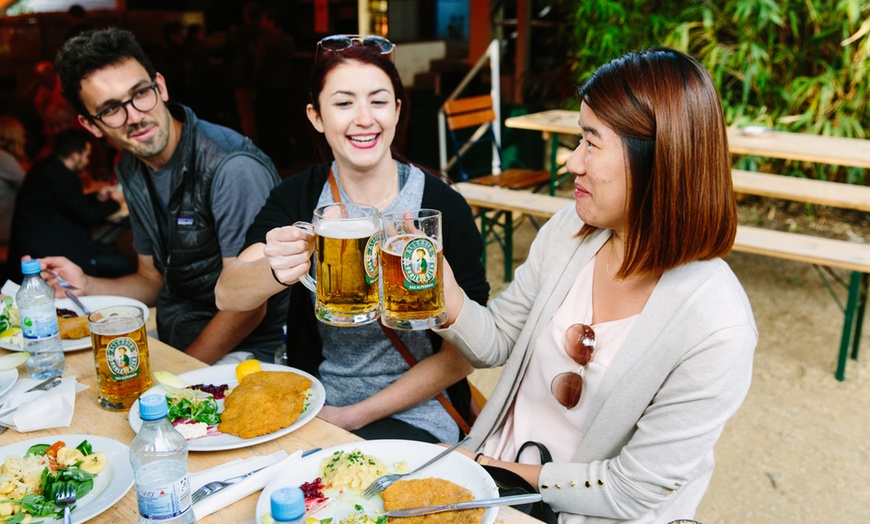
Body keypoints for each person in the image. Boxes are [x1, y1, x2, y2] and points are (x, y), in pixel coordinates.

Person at [434, 48, 758, 522]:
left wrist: (487, 469)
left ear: (658, 160)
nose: (571, 163)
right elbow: (498, 340)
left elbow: (630, 489)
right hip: (492, 479)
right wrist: (445, 298)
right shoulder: (569, 232)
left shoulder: (716, 327)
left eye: (591, 142)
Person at [215, 38, 490, 444]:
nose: (364, 119)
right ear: (316, 116)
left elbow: (467, 352)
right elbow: (228, 294)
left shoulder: (441, 205)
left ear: (397, 110)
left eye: (378, 102)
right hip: (321, 402)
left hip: (421, 413)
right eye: (343, 104)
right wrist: (275, 268)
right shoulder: (298, 199)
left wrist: (352, 417)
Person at [42, 28, 286, 365]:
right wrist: (86, 284)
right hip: (179, 337)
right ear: (91, 125)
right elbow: (151, 280)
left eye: (141, 93)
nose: (135, 116)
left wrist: (180, 375)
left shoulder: (232, 168)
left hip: (250, 353)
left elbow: (249, 306)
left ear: (161, 86)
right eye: (112, 109)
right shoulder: (132, 168)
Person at [6, 128, 130, 283]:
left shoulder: (49, 168)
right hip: (45, 253)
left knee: (113, 251)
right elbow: (89, 216)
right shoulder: (58, 177)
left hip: (46, 244)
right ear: (75, 156)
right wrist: (116, 201)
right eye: (86, 156)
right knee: (124, 265)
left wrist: (98, 197)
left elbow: (70, 202)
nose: (88, 161)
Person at [0, 116, 30, 247]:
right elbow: (30, 184)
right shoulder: (4, 158)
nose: (25, 140)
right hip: (4, 231)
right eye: (22, 136)